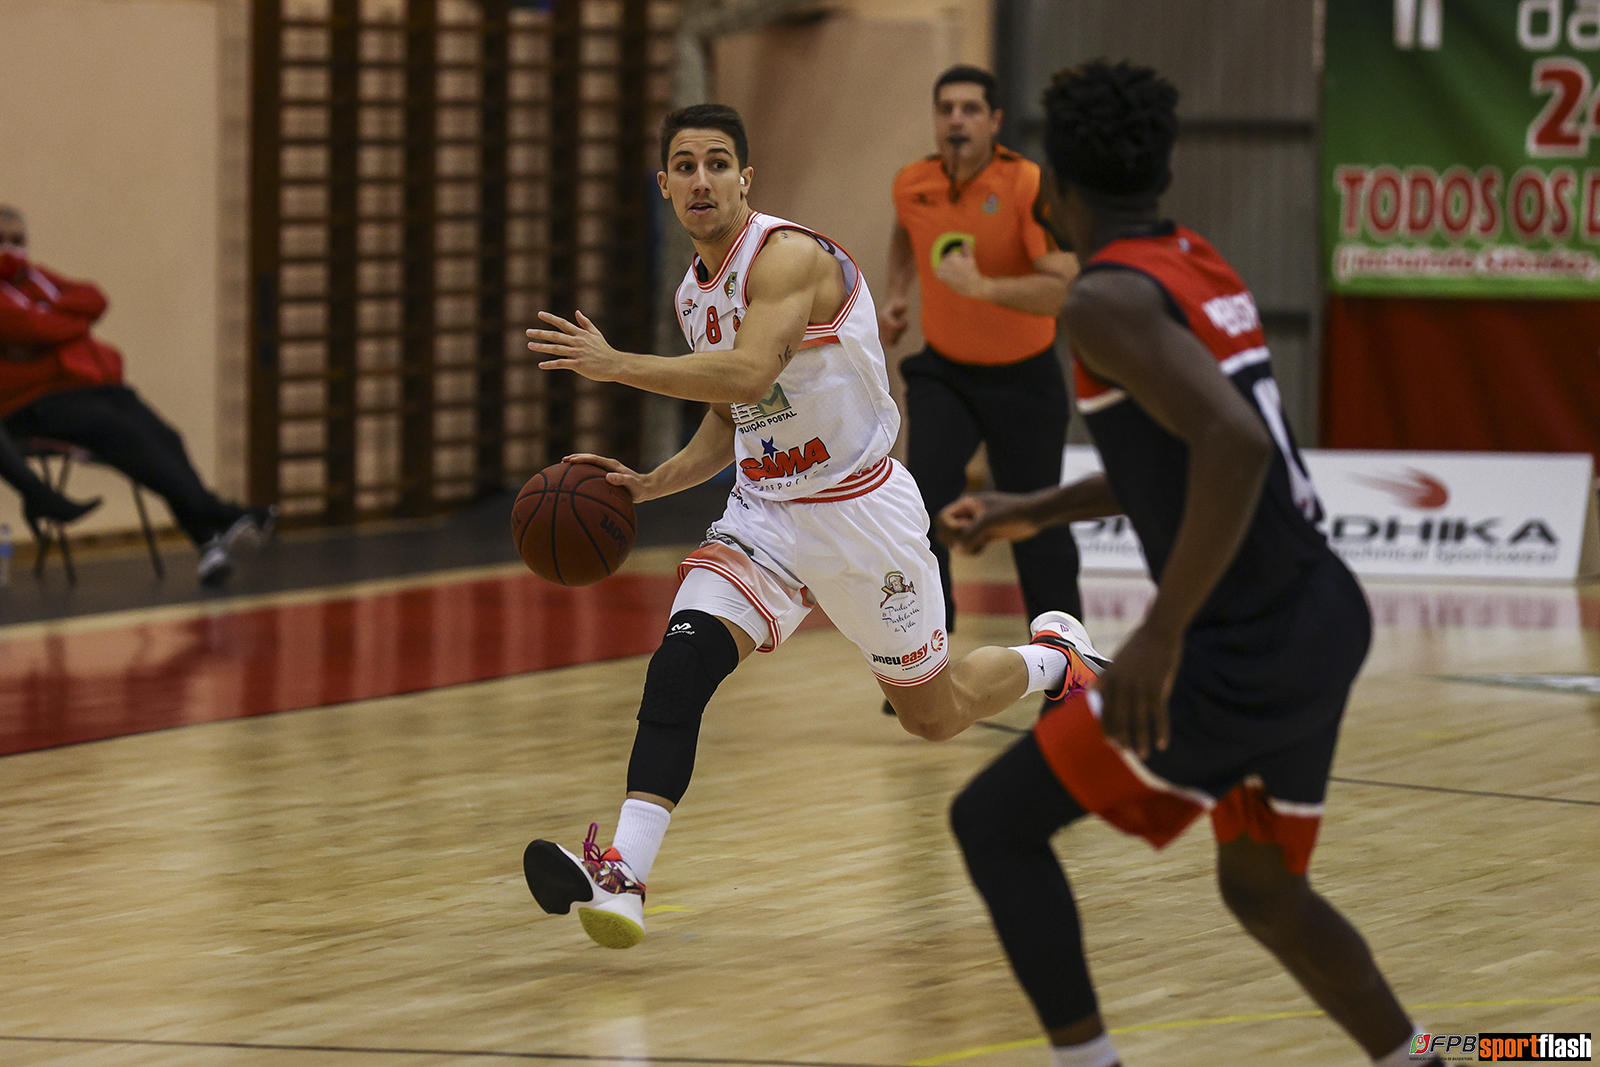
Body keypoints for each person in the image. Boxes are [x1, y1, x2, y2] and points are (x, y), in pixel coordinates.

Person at [938, 62, 1448, 1067]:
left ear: (1052, 189)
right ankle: (1413, 1056)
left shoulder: (1100, 301)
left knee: (992, 822)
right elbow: (1183, 450)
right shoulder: (1191, 260)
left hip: (1243, 638)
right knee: (1261, 885)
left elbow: (1234, 447)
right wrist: (1030, 506)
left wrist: (1158, 634)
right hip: (1317, 614)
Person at [517, 103, 1108, 951]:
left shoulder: (788, 256)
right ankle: (625, 872)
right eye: (683, 166)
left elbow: (755, 366)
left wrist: (616, 366)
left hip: (865, 512)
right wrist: (652, 484)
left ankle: (1056, 658)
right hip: (765, 517)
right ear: (663, 185)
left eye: (718, 163)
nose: (701, 180)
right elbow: (733, 415)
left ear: (746, 179)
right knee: (679, 666)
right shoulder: (695, 294)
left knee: (933, 717)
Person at [881, 65, 1083, 717]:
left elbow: (1066, 283)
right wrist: (897, 292)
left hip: (1023, 377)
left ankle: (1067, 667)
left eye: (971, 109)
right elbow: (903, 230)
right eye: (946, 108)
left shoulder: (1026, 184)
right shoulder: (912, 182)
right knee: (921, 502)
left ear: (995, 122)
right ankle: (927, 663)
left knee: (1036, 523)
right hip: (946, 370)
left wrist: (986, 289)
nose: (957, 120)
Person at [0, 206, 275, 585]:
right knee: (128, 440)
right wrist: (64, 319)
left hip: (93, 387)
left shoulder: (37, 279)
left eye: (18, 241)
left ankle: (210, 544)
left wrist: (57, 314)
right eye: (2, 242)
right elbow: (33, 327)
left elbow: (93, 297)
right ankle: (221, 515)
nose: (11, 250)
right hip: (35, 402)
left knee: (165, 437)